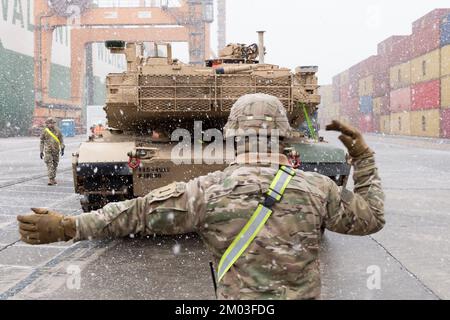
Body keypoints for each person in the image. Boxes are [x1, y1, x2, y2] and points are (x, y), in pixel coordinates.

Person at [18, 94, 385, 300]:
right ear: (284, 137)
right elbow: (370, 218)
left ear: (234, 137)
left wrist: (68, 226)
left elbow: (136, 214)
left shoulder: (206, 192)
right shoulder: (318, 190)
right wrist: (364, 159)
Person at [40, 117, 65, 186]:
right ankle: (51, 179)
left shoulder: (58, 131)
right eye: (49, 123)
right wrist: (41, 151)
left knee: (55, 165)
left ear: (54, 124)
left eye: (52, 123)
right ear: (47, 124)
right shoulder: (45, 131)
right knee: (49, 164)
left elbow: (61, 140)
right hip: (48, 151)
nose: (51, 125)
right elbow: (41, 141)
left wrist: (62, 148)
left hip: (56, 151)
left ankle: (53, 178)